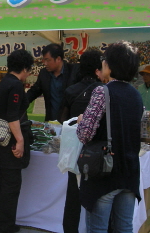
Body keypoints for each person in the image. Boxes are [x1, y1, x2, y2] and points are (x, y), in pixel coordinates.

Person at [76, 41, 143, 233]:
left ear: (111, 66)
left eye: (105, 61)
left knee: (98, 229)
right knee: (124, 228)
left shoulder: (102, 92)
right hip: (129, 173)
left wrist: (81, 120)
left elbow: (85, 134)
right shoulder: (136, 95)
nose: (102, 64)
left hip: (106, 174)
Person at [58, 49, 103, 233]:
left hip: (74, 150)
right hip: (97, 151)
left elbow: (63, 120)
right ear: (97, 68)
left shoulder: (70, 91)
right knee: (99, 197)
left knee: (73, 196)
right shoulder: (103, 92)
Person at [0, 49, 35, 233]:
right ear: (24, 68)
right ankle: (6, 226)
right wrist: (20, 141)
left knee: (1, 183)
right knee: (10, 185)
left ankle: (0, 221)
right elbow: (12, 116)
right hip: (9, 141)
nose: (29, 74)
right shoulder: (16, 85)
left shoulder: (2, 83)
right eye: (29, 70)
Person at [27, 43, 77, 121]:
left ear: (58, 59)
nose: (45, 63)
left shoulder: (73, 72)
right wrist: (21, 101)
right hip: (51, 122)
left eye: (48, 60)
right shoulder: (44, 73)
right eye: (44, 60)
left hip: (69, 121)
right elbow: (34, 91)